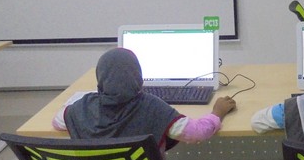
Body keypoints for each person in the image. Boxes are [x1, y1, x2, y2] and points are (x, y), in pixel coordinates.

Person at [52, 47, 236, 152]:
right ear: (140, 80)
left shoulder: (80, 109)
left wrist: (87, 99)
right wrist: (217, 113)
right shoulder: (152, 107)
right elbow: (196, 133)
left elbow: (57, 121)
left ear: (100, 81)